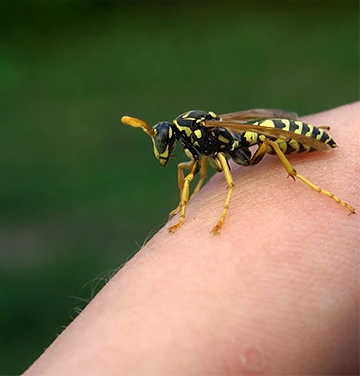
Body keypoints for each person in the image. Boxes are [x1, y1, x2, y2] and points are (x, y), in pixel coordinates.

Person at [24, 103, 359, 375]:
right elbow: (194, 168)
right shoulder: (197, 144)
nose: (163, 148)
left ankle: (311, 185)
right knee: (187, 169)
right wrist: (185, 207)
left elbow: (247, 145)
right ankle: (184, 208)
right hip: (265, 133)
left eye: (163, 141)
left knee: (269, 140)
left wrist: (228, 194)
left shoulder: (209, 134)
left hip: (280, 139)